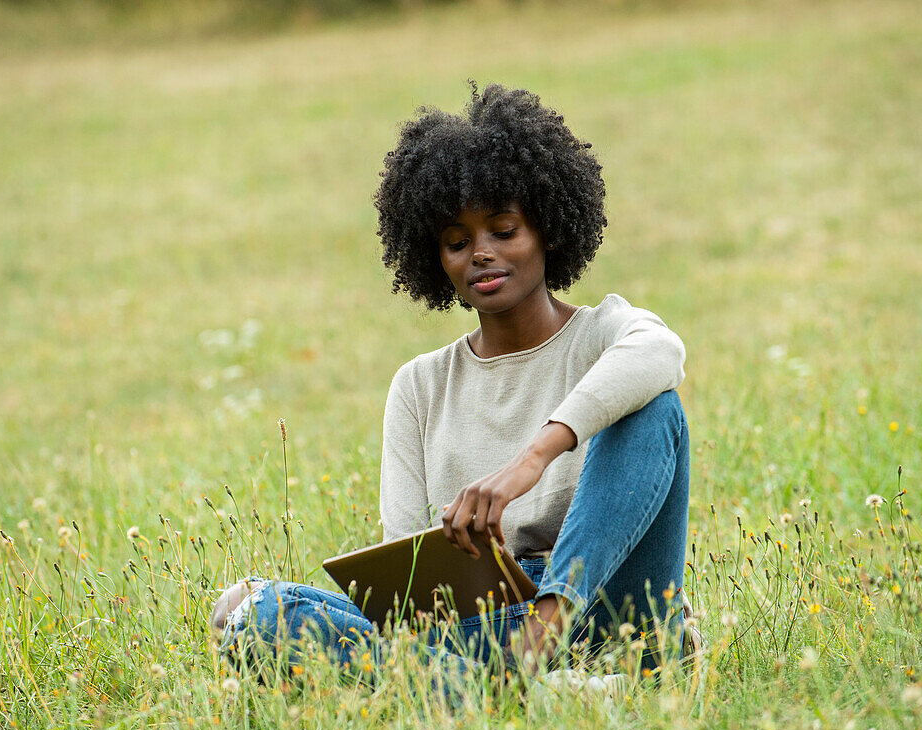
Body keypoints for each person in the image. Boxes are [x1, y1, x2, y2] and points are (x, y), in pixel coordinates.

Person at [214, 83, 691, 680]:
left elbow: (663, 352)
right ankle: (531, 692)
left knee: (653, 411)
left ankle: (521, 666)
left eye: (504, 230)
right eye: (457, 242)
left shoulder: (606, 335)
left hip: (609, 615)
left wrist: (535, 458)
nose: (481, 255)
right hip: (476, 628)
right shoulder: (419, 386)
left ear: (548, 227)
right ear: (434, 259)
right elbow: (407, 588)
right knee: (249, 609)